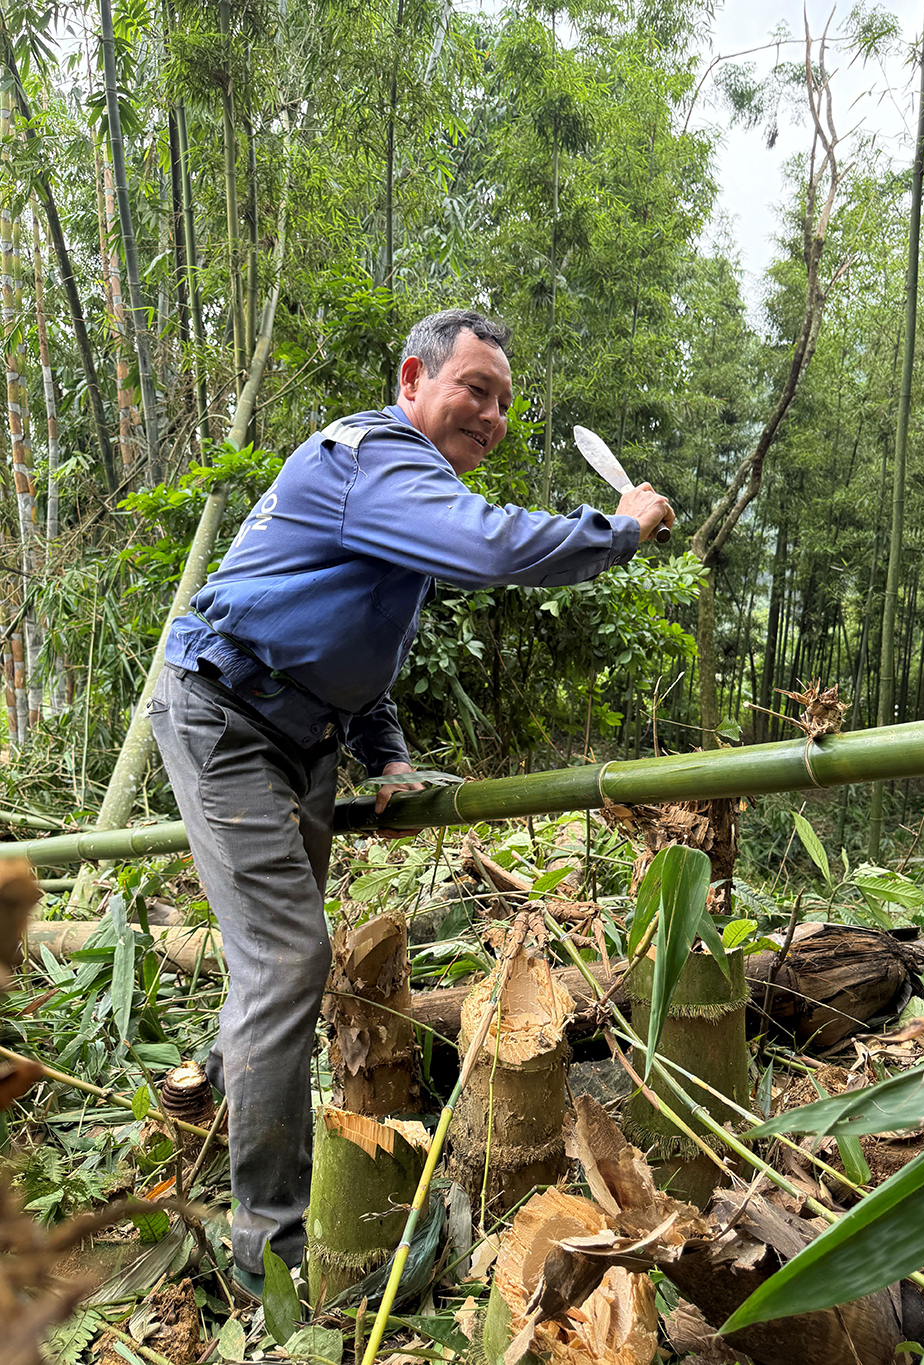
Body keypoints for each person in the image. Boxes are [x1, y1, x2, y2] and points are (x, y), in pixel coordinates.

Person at [148, 308, 674, 1294]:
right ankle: (272, 1251)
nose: (492, 414)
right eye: (475, 388)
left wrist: (385, 757)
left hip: (298, 737)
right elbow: (489, 549)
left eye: (505, 404)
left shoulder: (399, 496)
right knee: (287, 959)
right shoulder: (373, 455)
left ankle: (205, 1100)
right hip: (226, 714)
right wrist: (619, 529)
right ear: (411, 381)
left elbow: (363, 656)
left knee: (274, 954)